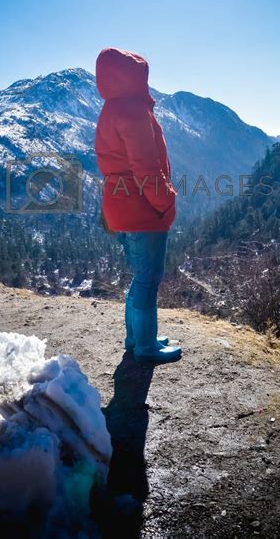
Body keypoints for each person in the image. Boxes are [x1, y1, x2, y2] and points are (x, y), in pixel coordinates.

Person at [94, 47, 182, 364]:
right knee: (148, 279)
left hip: (118, 205)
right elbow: (146, 168)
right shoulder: (133, 110)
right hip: (142, 207)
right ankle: (145, 346)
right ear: (135, 76)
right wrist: (166, 201)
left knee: (139, 277)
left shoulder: (110, 109)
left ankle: (137, 338)